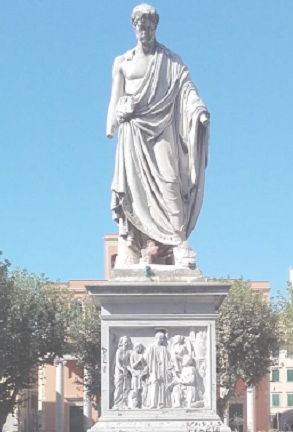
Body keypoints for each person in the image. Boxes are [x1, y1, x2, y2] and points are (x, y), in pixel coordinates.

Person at [106, 3, 210, 267]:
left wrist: (197, 109)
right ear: (134, 27)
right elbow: (115, 100)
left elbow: (187, 88)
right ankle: (133, 246)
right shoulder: (122, 62)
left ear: (156, 27)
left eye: (149, 27)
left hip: (162, 127)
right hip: (132, 132)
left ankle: (178, 241)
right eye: (141, 27)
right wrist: (115, 120)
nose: (145, 32)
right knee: (133, 189)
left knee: (169, 180)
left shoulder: (171, 61)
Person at [143, 329, 174, 408]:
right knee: (154, 384)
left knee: (162, 385)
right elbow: (145, 357)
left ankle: (161, 403)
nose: (161, 340)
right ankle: (153, 403)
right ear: (156, 338)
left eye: (162, 338)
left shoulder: (163, 348)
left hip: (162, 369)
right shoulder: (151, 347)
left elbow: (169, 358)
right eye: (160, 338)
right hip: (154, 369)